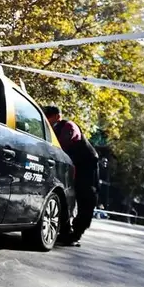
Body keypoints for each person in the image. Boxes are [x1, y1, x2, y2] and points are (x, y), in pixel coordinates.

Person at [42, 105, 100, 246]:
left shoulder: (68, 126)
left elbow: (61, 146)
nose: (45, 121)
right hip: (72, 165)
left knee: (86, 198)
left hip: (86, 166)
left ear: (56, 116)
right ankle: (66, 230)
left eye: (47, 117)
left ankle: (76, 234)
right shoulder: (52, 128)